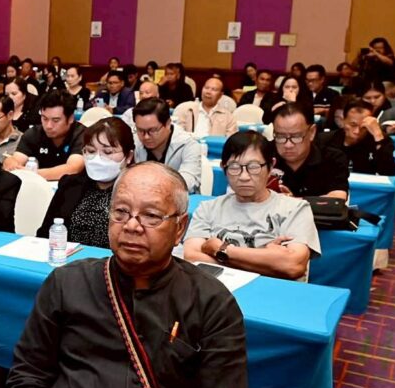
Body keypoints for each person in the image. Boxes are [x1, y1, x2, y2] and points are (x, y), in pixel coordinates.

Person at [5, 162, 247, 388]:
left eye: (151, 216)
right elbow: (28, 375)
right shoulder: (67, 282)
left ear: (180, 227)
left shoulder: (212, 303)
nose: (132, 226)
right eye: (121, 212)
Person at [185, 131, 319, 280]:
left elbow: (293, 266)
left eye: (254, 167)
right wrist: (269, 262)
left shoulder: (295, 209)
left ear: (271, 166)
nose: (244, 176)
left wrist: (221, 250)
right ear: (223, 167)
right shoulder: (208, 208)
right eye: (234, 167)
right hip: (221, 290)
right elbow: (192, 259)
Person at [36, 117, 135, 248]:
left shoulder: (137, 193)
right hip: (68, 258)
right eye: (91, 151)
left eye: (107, 152)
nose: (97, 159)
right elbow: (45, 233)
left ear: (128, 156)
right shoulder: (69, 184)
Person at [270, 102, 348, 199]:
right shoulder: (264, 154)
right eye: (280, 136)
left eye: (296, 136)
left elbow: (338, 198)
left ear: (312, 132)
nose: (288, 145)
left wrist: (292, 202)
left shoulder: (332, 158)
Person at [4, 90, 86, 181]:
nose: (48, 126)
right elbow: (16, 160)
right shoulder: (33, 133)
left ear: (71, 118)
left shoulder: (83, 134)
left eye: (55, 120)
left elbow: (73, 169)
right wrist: (11, 163)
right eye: (45, 119)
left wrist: (30, 173)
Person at [131, 98, 201, 192]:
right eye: (140, 130)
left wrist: (154, 188)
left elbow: (189, 181)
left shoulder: (188, 144)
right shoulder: (134, 141)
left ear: (168, 124)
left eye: (152, 130)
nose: (146, 137)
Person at [321, 98, 395, 176]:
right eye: (353, 125)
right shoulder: (324, 140)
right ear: (343, 121)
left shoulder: (381, 140)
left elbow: (388, 173)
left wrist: (378, 136)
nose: (357, 131)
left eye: (363, 127)